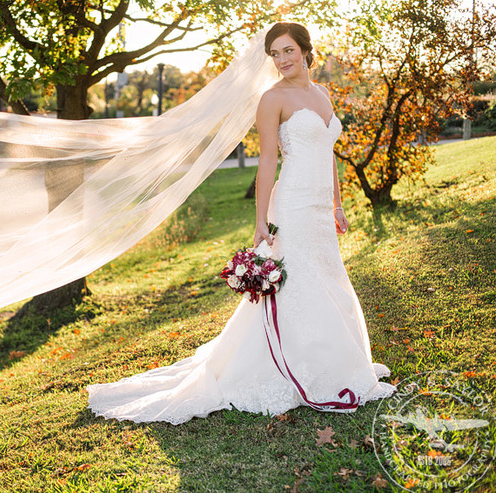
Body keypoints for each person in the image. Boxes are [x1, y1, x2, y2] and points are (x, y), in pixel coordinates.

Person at [85, 22, 397, 425]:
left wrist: (337, 204)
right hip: (293, 205)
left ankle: (334, 362)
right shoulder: (272, 99)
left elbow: (327, 151)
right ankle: (294, 369)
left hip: (320, 208)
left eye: (288, 50)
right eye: (275, 54)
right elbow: (268, 160)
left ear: (305, 50)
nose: (282, 60)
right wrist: (260, 223)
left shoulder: (321, 94)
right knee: (299, 284)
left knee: (327, 277)